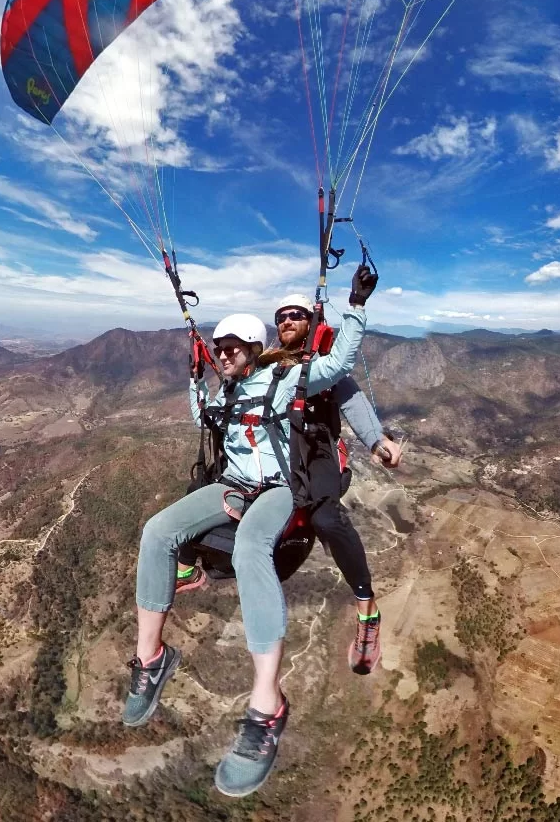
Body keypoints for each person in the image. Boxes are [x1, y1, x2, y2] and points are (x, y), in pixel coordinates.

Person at [123, 265, 378, 799]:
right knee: (156, 531)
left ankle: (267, 703)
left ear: (253, 348)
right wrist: (197, 378)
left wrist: (353, 305)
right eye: (219, 350)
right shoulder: (226, 390)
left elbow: (339, 365)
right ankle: (151, 659)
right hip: (235, 483)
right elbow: (203, 416)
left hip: (279, 488)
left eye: (233, 349)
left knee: (251, 548)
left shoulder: (285, 379)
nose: (224, 357)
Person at [175, 293, 403, 676]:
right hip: (276, 450)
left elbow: (351, 398)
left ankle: (367, 611)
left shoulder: (321, 368)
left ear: (311, 322)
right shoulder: (267, 368)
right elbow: (227, 404)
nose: (288, 320)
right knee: (207, 487)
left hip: (316, 451)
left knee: (326, 519)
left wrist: (378, 441)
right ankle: (190, 565)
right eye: (281, 316)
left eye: (297, 315)